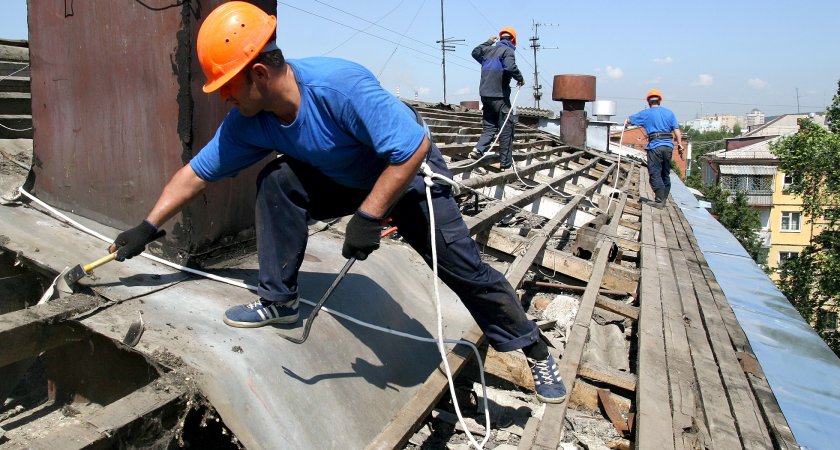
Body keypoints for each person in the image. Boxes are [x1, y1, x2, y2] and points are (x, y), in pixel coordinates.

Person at [107, 2, 566, 403]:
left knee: (464, 270)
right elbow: (195, 174)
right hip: (346, 180)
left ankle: (533, 348)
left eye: (228, 85)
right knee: (278, 179)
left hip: (408, 177)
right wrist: (147, 227)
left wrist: (369, 216)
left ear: (260, 74)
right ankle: (279, 301)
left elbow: (410, 150)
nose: (224, 97)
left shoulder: (338, 85)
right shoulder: (249, 121)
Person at [469, 27, 525, 170]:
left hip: (485, 95)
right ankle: (505, 164)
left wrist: (488, 42)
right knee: (506, 128)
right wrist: (520, 78)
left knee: (489, 126)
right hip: (499, 96)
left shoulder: (488, 50)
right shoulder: (508, 51)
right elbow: (510, 67)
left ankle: (478, 150)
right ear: (513, 40)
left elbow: (475, 52)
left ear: (500, 39)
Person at [625, 89, 684, 208]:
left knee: (655, 172)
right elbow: (677, 130)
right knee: (665, 172)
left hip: (655, 146)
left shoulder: (646, 113)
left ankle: (659, 201)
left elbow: (629, 120)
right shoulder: (669, 113)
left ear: (648, 102)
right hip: (668, 146)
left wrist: (626, 123)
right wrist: (680, 144)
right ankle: (664, 199)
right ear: (659, 101)